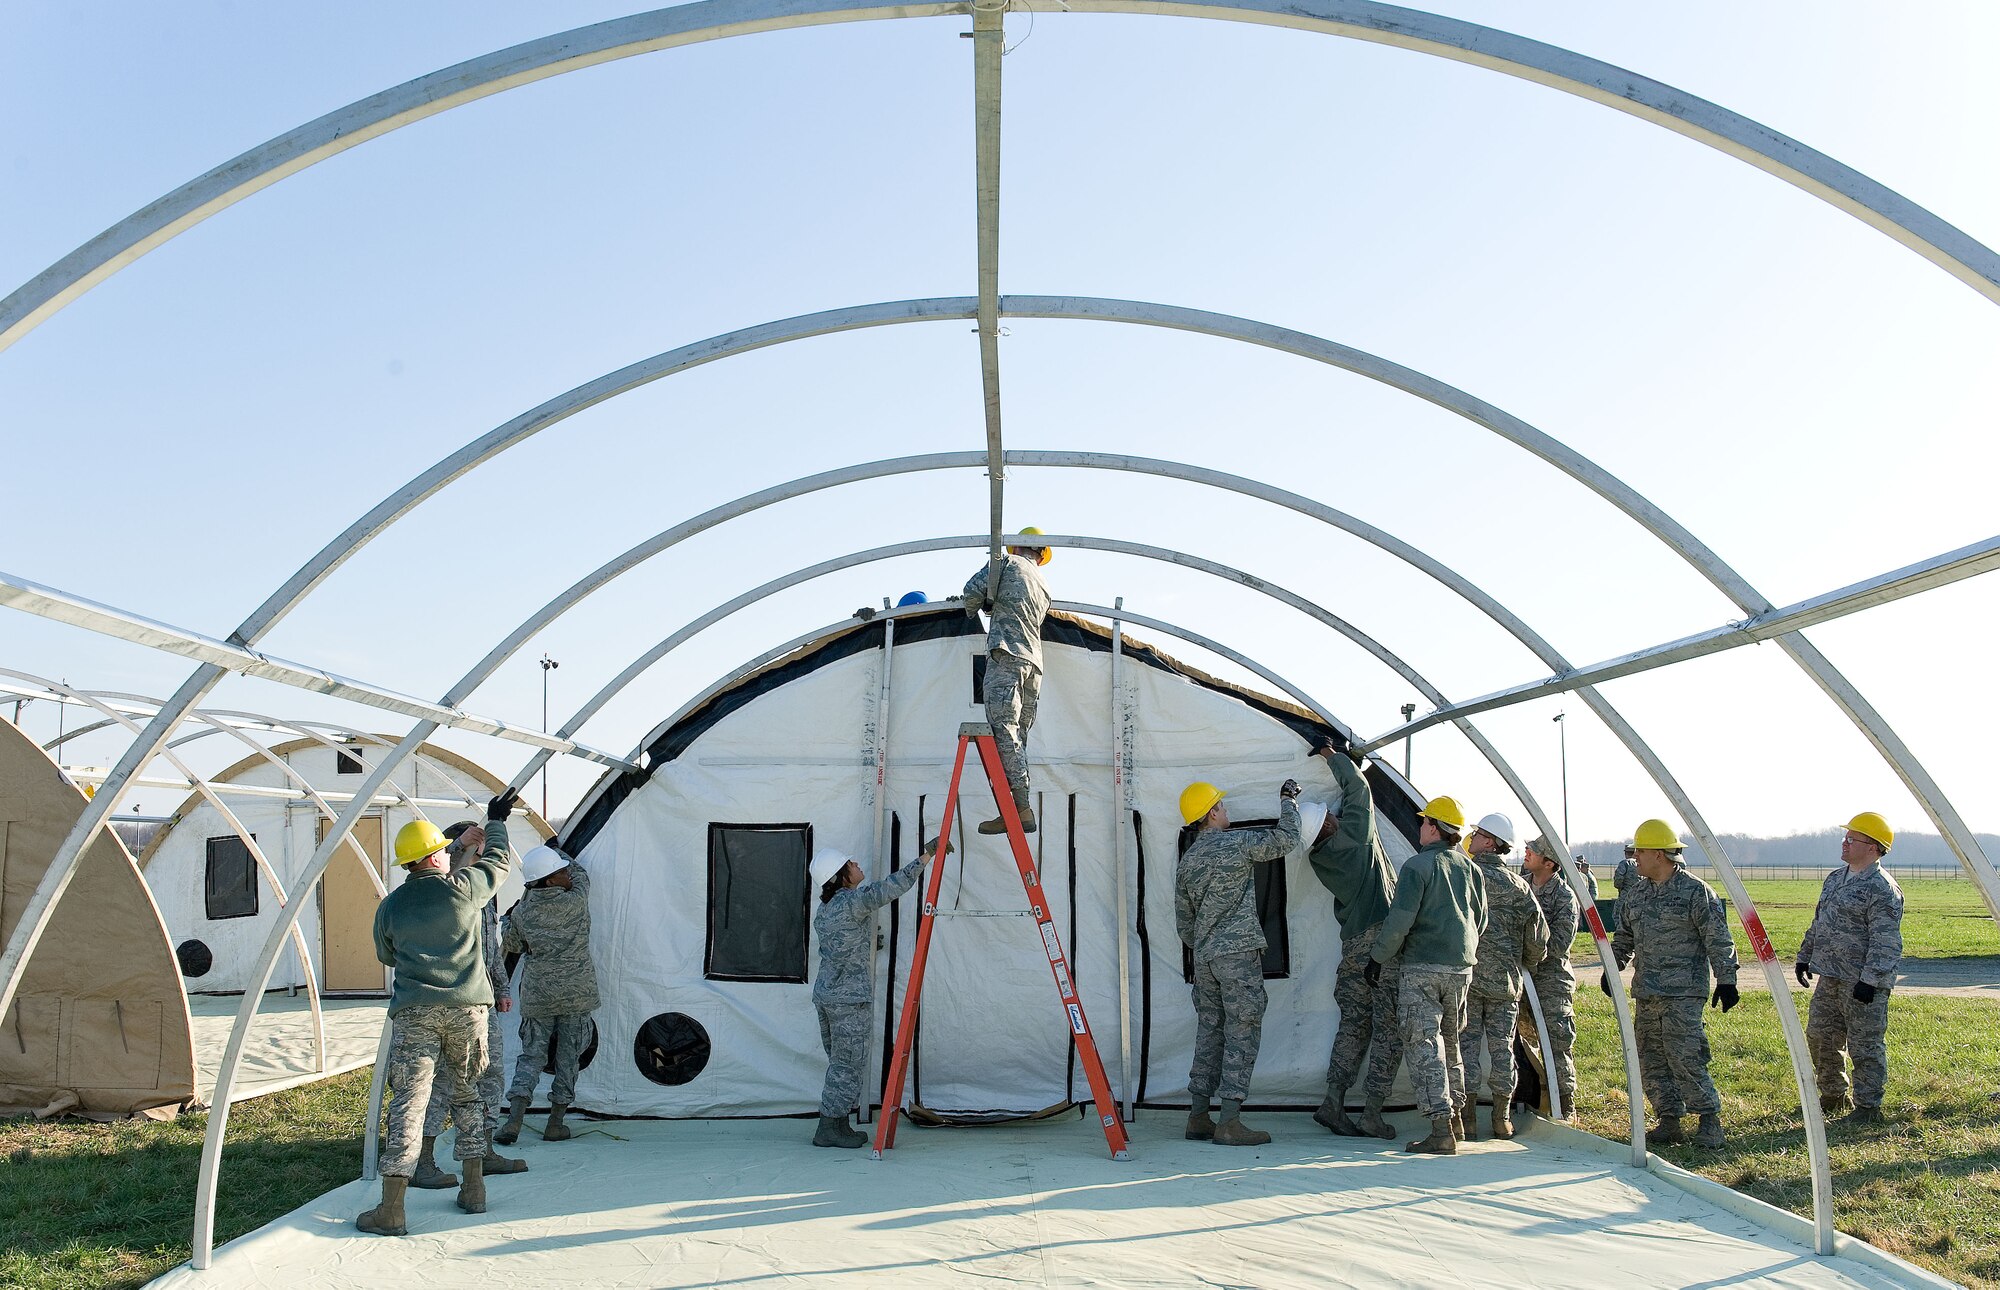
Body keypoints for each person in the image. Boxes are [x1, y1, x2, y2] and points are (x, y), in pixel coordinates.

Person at [356, 787, 519, 1236]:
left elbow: (386, 955)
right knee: (469, 1095)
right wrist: (497, 821)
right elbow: (499, 863)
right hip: (468, 1012)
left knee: (409, 1103)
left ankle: (392, 1208)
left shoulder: (390, 906)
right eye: (446, 851)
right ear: (436, 857)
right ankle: (474, 1189)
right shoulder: (464, 891)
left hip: (414, 1014)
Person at [1176, 776, 1303, 1146]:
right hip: (1237, 955)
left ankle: (1198, 1116)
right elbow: (1286, 840)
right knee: (1242, 1031)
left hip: (1204, 958)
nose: (1226, 810)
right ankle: (1229, 1121)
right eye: (1222, 805)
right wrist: (1288, 801)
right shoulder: (1236, 843)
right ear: (1212, 812)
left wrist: (1207, 942)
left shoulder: (1188, 861)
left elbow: (1184, 923)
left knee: (1210, 1031)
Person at [1606, 818, 1739, 1148]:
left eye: (1640, 851)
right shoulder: (1635, 895)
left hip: (1683, 992)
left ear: (1659, 855)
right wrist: (1613, 966)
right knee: (1652, 1058)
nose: (1634, 857)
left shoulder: (1695, 892)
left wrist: (1727, 979)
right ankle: (1669, 1119)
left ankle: (1709, 1121)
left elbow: (1718, 938)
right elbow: (1623, 937)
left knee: (1686, 1056)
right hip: (1647, 991)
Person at [411, 820, 528, 1189]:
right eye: (472, 852)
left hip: (482, 999)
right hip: (449, 1001)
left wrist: (503, 987)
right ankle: (422, 1160)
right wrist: (461, 845)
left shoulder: (482, 893)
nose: (480, 858)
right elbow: (451, 873)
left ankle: (484, 1152)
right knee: (442, 1083)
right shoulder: (447, 891)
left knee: (490, 1074)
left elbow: (490, 946)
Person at [809, 836, 946, 1147]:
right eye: (851, 864)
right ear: (840, 875)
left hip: (828, 995)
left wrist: (868, 942)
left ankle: (838, 1124)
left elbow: (841, 946)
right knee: (847, 1064)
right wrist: (926, 857)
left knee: (840, 1062)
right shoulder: (852, 901)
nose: (857, 865)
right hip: (848, 999)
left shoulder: (826, 909)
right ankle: (828, 1129)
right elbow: (890, 888)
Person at [1369, 796, 1486, 1155]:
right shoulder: (1471, 869)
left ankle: (1439, 1130)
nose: (1419, 827)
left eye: (1423, 822)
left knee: (1424, 1047)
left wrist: (1377, 958)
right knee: (1451, 1045)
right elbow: (1479, 920)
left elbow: (1400, 920)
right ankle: (1459, 1124)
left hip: (1422, 969)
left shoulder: (1417, 867)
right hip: (1461, 969)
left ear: (1434, 827)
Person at [1303, 739, 1402, 1139]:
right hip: (1382, 945)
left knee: (1353, 1026)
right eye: (1330, 815)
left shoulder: (1320, 856)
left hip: (1352, 949)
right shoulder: (1357, 838)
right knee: (1389, 1029)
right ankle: (1373, 1113)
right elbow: (1359, 791)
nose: (1335, 814)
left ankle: (1333, 1102)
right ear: (1328, 824)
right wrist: (1332, 755)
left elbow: (1339, 814)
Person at [1796, 812, 1905, 1125]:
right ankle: (1832, 1096)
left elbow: (1886, 941)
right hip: (1830, 977)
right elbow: (1820, 922)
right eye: (1846, 837)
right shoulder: (1835, 879)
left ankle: (1868, 1109)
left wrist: (1870, 980)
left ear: (1872, 848)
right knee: (1820, 1036)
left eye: (1851, 839)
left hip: (1862, 983)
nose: (1844, 843)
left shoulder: (1882, 888)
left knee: (1864, 1045)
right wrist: (1805, 956)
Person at [497, 843, 598, 1147]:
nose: (567, 873)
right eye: (561, 871)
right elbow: (582, 876)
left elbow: (512, 944)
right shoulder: (576, 901)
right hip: (576, 993)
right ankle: (555, 1123)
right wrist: (561, 851)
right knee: (569, 1058)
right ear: (551, 879)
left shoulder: (523, 912)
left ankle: (513, 1121)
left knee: (531, 1056)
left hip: (539, 994)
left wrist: (508, 918)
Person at [1460, 813, 1547, 1140]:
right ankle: (1501, 1119)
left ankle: (1466, 1120)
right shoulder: (1520, 887)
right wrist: (1524, 961)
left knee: (1466, 1050)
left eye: (1478, 834)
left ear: (1490, 842)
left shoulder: (1465, 877)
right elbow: (1538, 941)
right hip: (1506, 985)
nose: (1472, 839)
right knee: (1502, 1052)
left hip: (1468, 981)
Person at [961, 529, 1052, 834]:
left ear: (1016, 545)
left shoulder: (1006, 562)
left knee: (1003, 732)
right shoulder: (1044, 586)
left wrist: (973, 609)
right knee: (1017, 737)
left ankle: (1021, 809)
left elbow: (971, 591)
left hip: (1007, 655)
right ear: (1041, 554)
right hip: (1033, 665)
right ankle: (1015, 807)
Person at [1521, 835, 1580, 1118]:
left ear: (1550, 863)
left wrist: (1523, 946)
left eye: (1534, 851)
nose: (1527, 852)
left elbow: (1557, 945)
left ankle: (1564, 1105)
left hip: (1549, 980)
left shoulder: (1564, 897)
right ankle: (1534, 1098)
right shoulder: (1519, 886)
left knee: (1556, 1043)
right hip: (1519, 978)